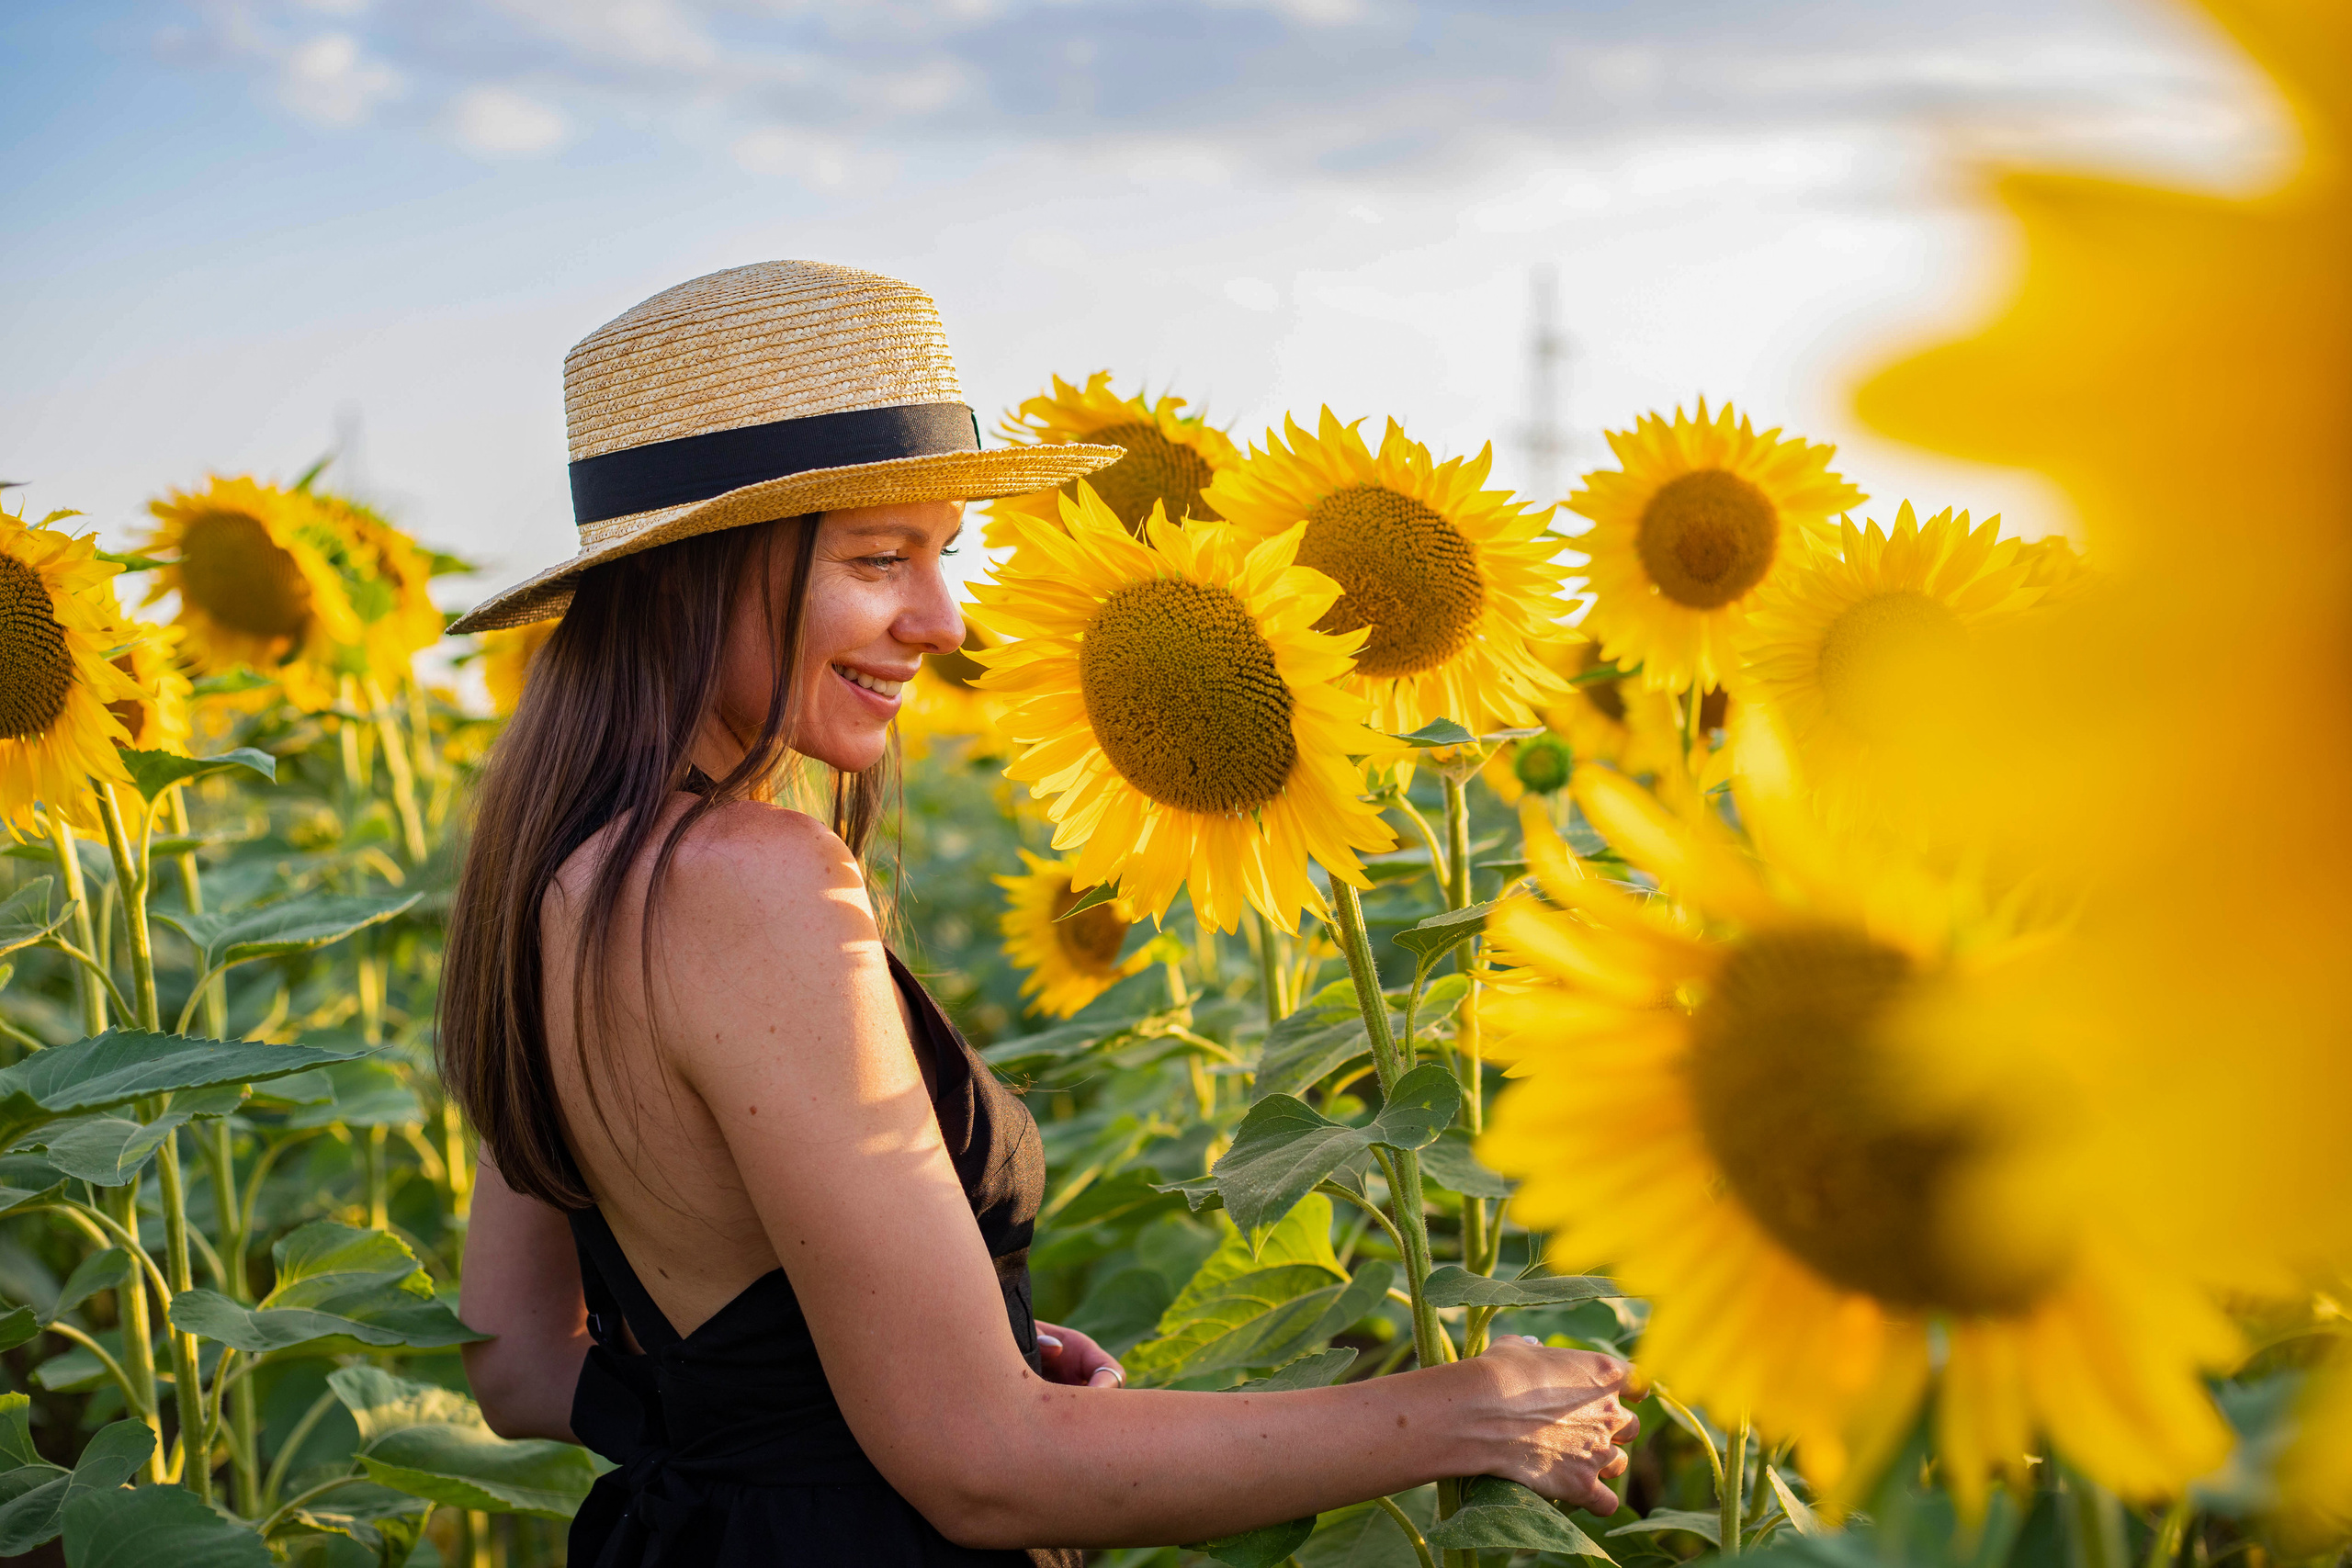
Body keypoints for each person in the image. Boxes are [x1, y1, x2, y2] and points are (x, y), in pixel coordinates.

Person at [439, 260, 1638, 1567]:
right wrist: (1466, 1411)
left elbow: (517, 1361)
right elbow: (986, 1468)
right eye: (879, 559)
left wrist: (861, 1379)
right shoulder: (753, 881)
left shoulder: (558, 873)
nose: (944, 622)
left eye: (943, 555)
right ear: (695, 574)